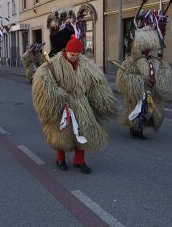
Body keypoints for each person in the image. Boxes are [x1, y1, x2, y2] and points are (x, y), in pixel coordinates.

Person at [32, 35, 117, 174]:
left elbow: (96, 82)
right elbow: (43, 82)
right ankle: (60, 159)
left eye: (77, 55)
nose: (75, 57)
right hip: (62, 105)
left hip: (81, 104)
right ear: (66, 51)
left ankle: (79, 161)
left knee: (83, 132)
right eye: (72, 54)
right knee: (62, 133)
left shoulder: (86, 65)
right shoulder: (53, 64)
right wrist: (57, 92)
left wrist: (101, 101)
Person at [115, 4, 172, 139]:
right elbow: (125, 75)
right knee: (137, 110)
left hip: (151, 91)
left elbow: (163, 71)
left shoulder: (156, 61)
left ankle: (141, 128)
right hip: (139, 92)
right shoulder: (131, 61)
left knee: (150, 111)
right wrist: (137, 83)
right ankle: (135, 129)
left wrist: (161, 81)